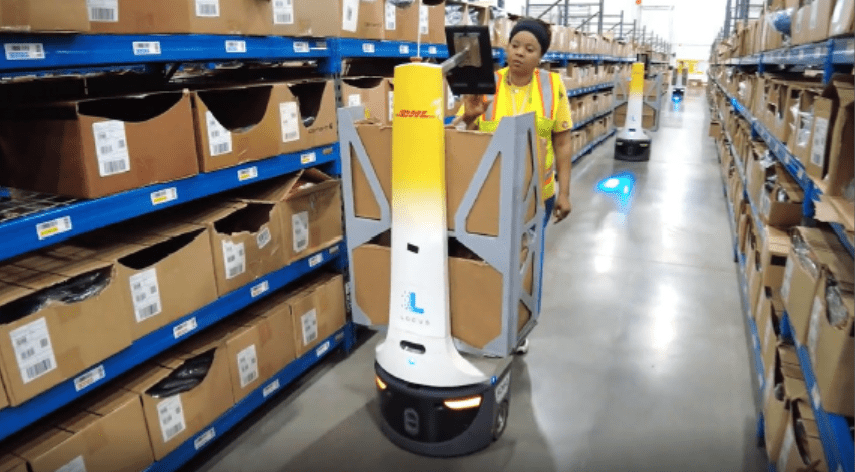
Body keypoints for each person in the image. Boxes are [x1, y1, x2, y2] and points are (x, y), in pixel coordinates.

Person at [452, 18, 573, 354]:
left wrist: (564, 191)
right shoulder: (487, 82)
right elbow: (462, 128)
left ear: (541, 55)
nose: (519, 53)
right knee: (484, 258)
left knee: (522, 262)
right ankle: (481, 322)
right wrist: (471, 115)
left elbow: (562, 141)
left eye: (529, 49)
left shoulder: (551, 86)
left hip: (537, 195)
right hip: (489, 193)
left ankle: (517, 326)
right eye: (514, 45)